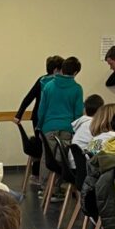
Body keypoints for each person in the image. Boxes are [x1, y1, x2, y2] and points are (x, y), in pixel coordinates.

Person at [37, 56, 84, 195]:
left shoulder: (49, 86)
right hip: (67, 128)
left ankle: (45, 189)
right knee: (61, 159)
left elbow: (41, 110)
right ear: (75, 72)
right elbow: (78, 113)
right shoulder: (77, 89)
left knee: (47, 158)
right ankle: (56, 188)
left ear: (61, 69)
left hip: (48, 127)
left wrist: (39, 126)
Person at [15, 54, 63, 126]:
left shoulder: (41, 80)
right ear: (56, 70)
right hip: (50, 119)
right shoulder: (58, 83)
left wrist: (18, 115)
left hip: (37, 118)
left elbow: (28, 98)